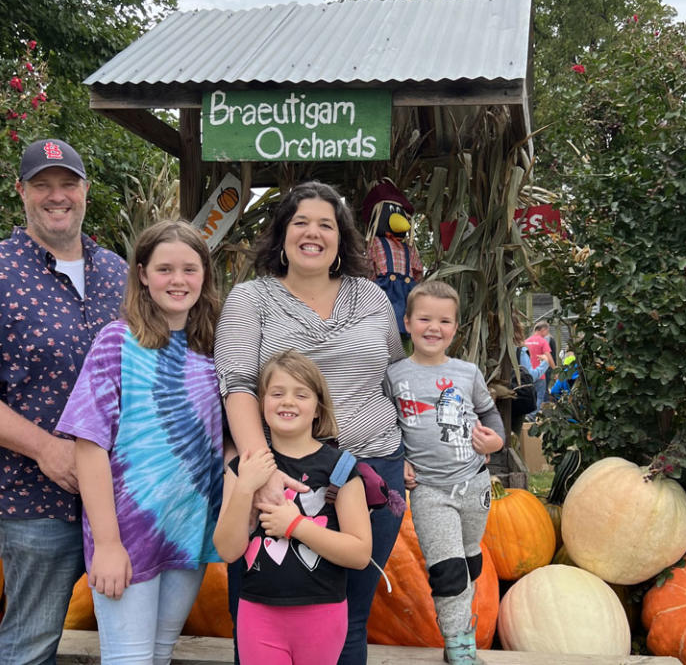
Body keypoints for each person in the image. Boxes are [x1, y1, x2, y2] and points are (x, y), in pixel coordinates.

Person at [0, 139, 127, 665]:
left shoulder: (121, 275)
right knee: (32, 644)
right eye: (42, 185)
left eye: (67, 184)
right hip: (34, 499)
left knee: (131, 643)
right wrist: (46, 449)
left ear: (85, 191)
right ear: (22, 192)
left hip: (123, 497)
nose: (56, 196)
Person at [214, 180, 405, 665]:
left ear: (342, 238)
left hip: (370, 466)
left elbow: (396, 377)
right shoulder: (250, 299)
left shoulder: (372, 298)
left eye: (326, 224)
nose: (312, 233)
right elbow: (236, 385)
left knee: (350, 616)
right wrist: (260, 471)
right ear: (281, 235)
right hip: (279, 473)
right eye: (300, 222)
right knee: (258, 607)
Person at [56, 220, 224, 664]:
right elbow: (89, 445)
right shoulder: (117, 342)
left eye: (190, 269)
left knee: (160, 654)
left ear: (204, 275)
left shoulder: (213, 349)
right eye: (165, 269)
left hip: (188, 532)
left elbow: (224, 439)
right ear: (143, 274)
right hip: (126, 536)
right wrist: (108, 545)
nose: (178, 280)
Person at [213, 350, 372, 665]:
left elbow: (360, 553)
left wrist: (295, 525)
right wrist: (246, 487)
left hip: (322, 614)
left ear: (317, 407)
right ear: (262, 404)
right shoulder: (242, 467)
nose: (287, 401)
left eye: (301, 394)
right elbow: (227, 550)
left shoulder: (340, 469)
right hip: (258, 614)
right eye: (277, 393)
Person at [384, 281, 504, 664]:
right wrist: (397, 458)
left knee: (470, 562)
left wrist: (496, 442)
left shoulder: (467, 373)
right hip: (429, 490)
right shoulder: (395, 375)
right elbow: (386, 423)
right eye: (424, 319)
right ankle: (458, 647)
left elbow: (489, 414)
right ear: (407, 322)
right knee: (448, 569)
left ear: (455, 328)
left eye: (444, 320)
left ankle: (464, 623)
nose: (433, 327)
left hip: (473, 484)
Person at [523, 320, 554, 421]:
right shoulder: (543, 341)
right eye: (547, 331)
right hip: (540, 375)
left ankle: (526, 415)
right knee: (539, 397)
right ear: (543, 330)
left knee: (529, 396)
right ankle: (531, 417)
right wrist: (556, 370)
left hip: (527, 374)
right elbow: (548, 357)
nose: (547, 334)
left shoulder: (526, 341)